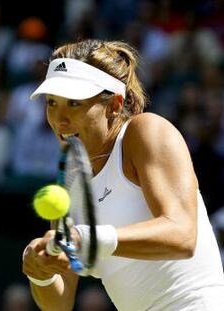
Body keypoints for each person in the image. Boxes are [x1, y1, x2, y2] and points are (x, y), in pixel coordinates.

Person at [22, 39, 224, 311]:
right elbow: (59, 303)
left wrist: (87, 238)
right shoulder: (68, 181)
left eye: (73, 103)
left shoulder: (145, 132)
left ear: (115, 105)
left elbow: (182, 235)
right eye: (52, 103)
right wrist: (40, 272)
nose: (60, 120)